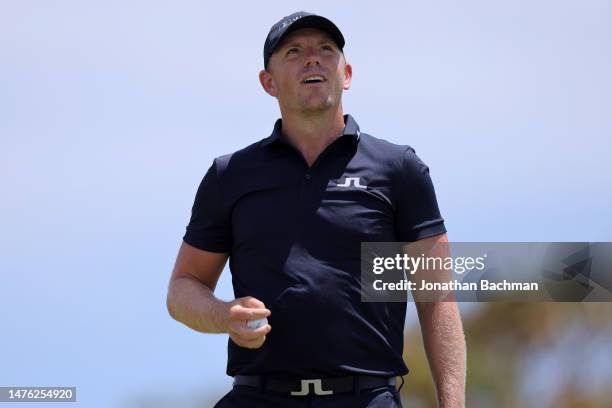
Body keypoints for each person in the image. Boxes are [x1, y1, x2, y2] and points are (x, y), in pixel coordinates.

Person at [166, 11, 466, 408]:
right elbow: (183, 288)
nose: (313, 59)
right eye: (294, 51)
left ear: (347, 74)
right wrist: (223, 315)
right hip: (258, 398)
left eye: (326, 49)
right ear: (267, 83)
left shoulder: (398, 169)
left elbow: (436, 299)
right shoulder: (230, 175)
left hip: (367, 398)